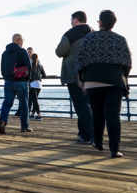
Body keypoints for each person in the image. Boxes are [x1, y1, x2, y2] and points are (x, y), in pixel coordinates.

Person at [77, 10, 131, 159]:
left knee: (97, 113)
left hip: (92, 79)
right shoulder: (120, 39)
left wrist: (82, 78)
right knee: (113, 115)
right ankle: (114, 149)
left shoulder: (89, 38)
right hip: (114, 80)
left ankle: (98, 142)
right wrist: (124, 77)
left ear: (99, 22)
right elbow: (127, 62)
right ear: (114, 23)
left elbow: (80, 60)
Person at [55, 10, 93, 143]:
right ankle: (84, 132)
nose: (71, 22)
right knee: (88, 105)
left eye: (71, 19)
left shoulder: (70, 34)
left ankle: (88, 135)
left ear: (76, 19)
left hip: (74, 74)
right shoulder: (93, 33)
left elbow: (59, 52)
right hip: (91, 73)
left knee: (80, 105)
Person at [0, 34, 32, 134]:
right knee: (24, 104)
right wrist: (26, 79)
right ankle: (24, 127)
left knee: (7, 103)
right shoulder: (22, 51)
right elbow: (28, 67)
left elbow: (2, 69)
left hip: (8, 82)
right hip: (21, 81)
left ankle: (2, 121)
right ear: (19, 41)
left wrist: (6, 78)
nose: (23, 42)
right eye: (22, 41)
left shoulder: (4, 53)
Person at [14, 47, 34, 116]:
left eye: (30, 52)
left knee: (28, 98)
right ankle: (20, 111)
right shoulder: (24, 59)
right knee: (21, 97)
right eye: (28, 52)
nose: (29, 53)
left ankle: (26, 112)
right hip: (23, 80)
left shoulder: (34, 60)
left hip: (31, 81)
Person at [29, 53, 46, 120]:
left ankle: (39, 115)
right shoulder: (41, 65)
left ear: (31, 58)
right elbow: (45, 76)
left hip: (33, 84)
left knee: (35, 101)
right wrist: (39, 77)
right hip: (39, 84)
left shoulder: (31, 65)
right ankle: (32, 114)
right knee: (35, 100)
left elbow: (29, 75)